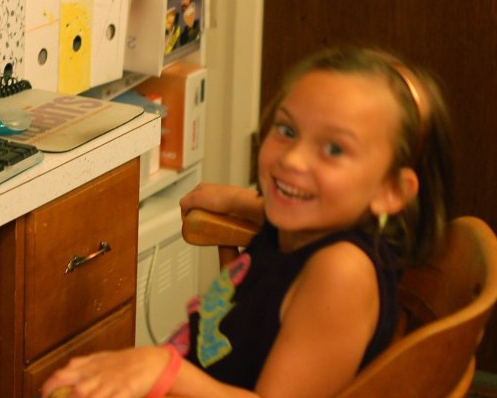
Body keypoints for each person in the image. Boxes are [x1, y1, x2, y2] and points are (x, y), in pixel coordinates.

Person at [42, 46, 454, 398]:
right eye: (287, 130)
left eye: (333, 149)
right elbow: (281, 215)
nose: (292, 159)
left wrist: (163, 370)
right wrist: (239, 200)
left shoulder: (341, 273)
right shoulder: (309, 227)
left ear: (391, 191)